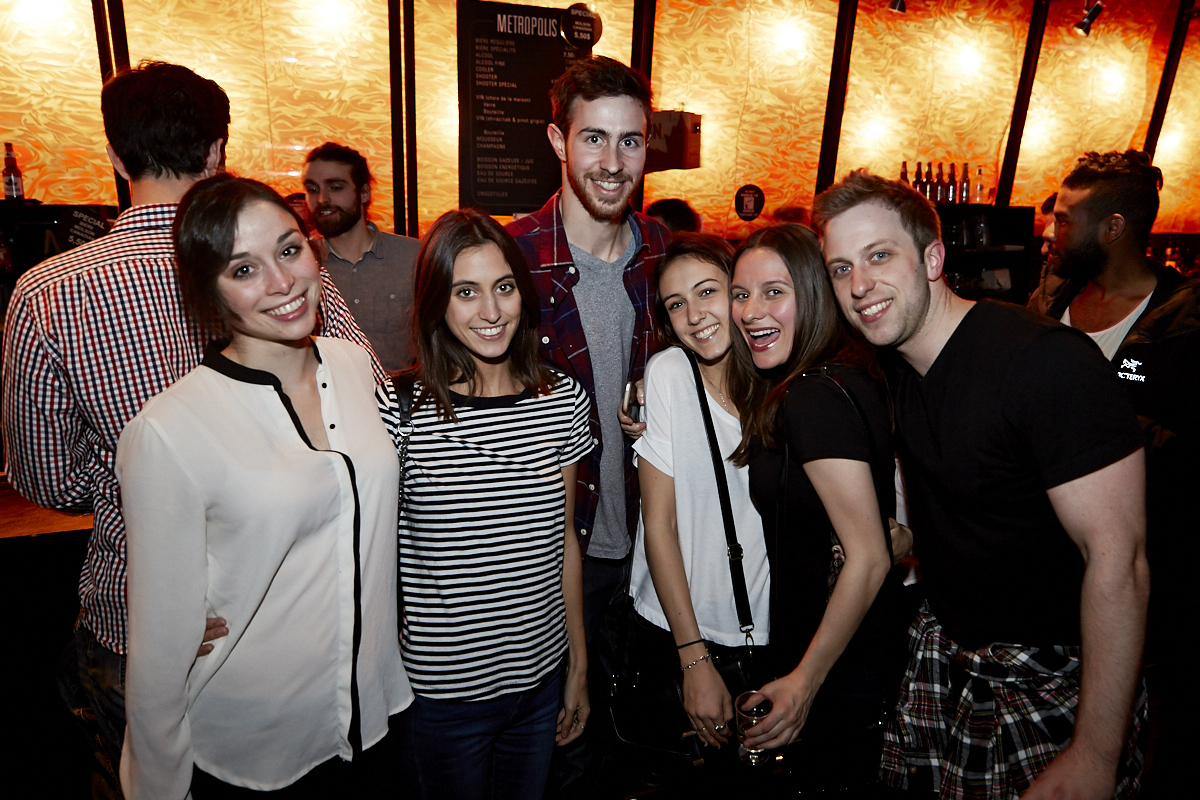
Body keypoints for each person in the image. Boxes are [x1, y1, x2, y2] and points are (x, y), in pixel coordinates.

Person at [0, 61, 377, 800]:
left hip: (131, 615)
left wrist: (133, 490)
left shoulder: (45, 292)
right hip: (288, 620)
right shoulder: (288, 269)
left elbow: (44, 480)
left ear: (114, 157)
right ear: (218, 152)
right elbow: (356, 411)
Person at [814, 170, 1149, 799]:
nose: (859, 286)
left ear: (934, 257)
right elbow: (988, 505)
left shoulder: (1044, 363)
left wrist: (1095, 752)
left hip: (1054, 684)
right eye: (841, 268)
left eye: (879, 256)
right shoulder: (904, 365)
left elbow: (1120, 560)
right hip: (956, 661)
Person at [117, 175, 412, 798]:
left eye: (287, 251)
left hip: (380, 717)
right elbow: (157, 657)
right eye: (243, 270)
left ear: (313, 249)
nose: (281, 283)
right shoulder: (168, 430)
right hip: (254, 749)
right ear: (210, 292)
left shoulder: (357, 366)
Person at [378, 208, 592, 800]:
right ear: (436, 303)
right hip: (443, 697)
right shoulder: (400, 409)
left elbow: (565, 542)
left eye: (503, 288)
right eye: (465, 292)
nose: (491, 312)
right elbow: (367, 550)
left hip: (540, 682)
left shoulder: (561, 400)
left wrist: (577, 666)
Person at [504, 55, 669, 796]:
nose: (612, 162)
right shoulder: (509, 258)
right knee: (555, 753)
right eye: (593, 139)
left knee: (641, 744)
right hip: (550, 556)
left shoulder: (668, 255)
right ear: (556, 141)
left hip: (654, 549)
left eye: (629, 141)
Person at [1027, 150, 1200, 796]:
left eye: (1064, 219)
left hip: (1155, 578)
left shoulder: (1185, 322)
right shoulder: (1051, 298)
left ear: (1114, 228)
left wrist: (1101, 419)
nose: (1048, 229)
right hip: (1051, 570)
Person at [729, 224, 903, 791]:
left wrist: (804, 680)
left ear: (814, 293)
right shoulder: (840, 378)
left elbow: (870, 557)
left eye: (775, 292)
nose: (752, 311)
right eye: (741, 293)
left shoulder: (813, 396)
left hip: (840, 669)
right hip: (846, 655)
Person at [630, 233, 769, 750]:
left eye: (707, 292)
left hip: (772, 625)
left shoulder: (783, 371)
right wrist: (693, 658)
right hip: (688, 623)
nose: (694, 315)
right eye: (676, 304)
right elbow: (658, 525)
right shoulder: (669, 374)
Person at [303, 141, 421, 372]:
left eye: (335, 187)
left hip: (406, 402)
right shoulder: (300, 265)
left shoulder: (414, 257)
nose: (321, 200)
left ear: (364, 193)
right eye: (313, 189)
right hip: (327, 403)